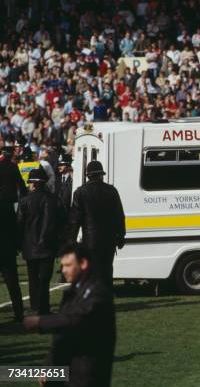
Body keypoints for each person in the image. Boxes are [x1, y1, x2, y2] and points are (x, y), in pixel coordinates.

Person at [23, 244, 116, 387]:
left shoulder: (99, 293)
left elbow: (76, 319)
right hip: (67, 375)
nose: (63, 270)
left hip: (88, 376)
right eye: (62, 265)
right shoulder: (73, 292)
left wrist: (39, 322)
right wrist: (49, 366)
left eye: (68, 265)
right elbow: (60, 337)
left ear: (83, 263)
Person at [69, 161, 126, 285]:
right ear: (101, 175)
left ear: (88, 176)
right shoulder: (111, 191)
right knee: (106, 271)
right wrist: (121, 236)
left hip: (90, 240)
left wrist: (72, 241)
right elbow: (119, 216)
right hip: (109, 240)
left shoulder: (80, 192)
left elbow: (75, 220)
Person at [16, 168, 58, 315]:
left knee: (33, 279)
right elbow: (62, 221)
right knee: (45, 280)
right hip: (48, 246)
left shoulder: (24, 201)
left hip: (30, 246)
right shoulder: (54, 199)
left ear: (33, 184)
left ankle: (35, 306)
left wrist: (18, 245)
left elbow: (19, 225)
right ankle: (44, 308)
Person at [0, 147, 26, 321]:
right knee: (12, 282)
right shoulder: (12, 167)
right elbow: (15, 228)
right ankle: (19, 312)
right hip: (7, 248)